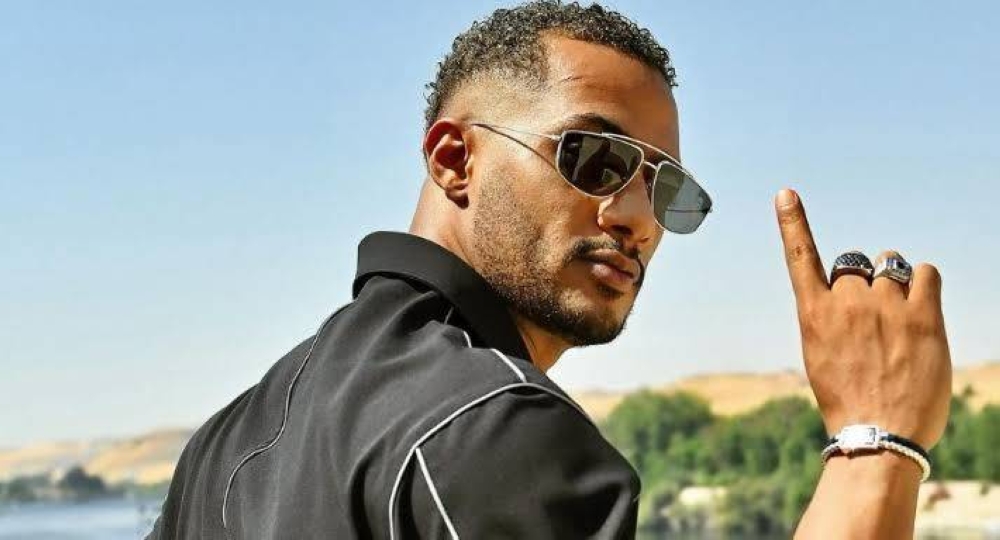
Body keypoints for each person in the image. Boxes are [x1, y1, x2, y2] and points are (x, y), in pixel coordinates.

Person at [147, 1, 951, 538]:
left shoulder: (223, 445)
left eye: (664, 188)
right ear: (454, 160)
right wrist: (876, 444)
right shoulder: (488, 423)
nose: (638, 218)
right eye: (595, 158)